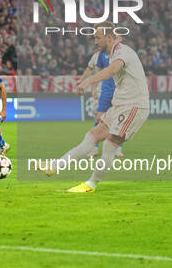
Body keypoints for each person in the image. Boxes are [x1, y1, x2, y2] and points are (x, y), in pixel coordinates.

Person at [46, 22, 150, 193]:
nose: (95, 41)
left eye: (97, 37)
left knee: (110, 144)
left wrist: (87, 81)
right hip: (119, 105)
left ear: (109, 37)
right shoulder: (111, 53)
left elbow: (111, 71)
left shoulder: (122, 52)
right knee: (91, 136)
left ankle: (91, 184)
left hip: (134, 106)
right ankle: (56, 165)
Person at [78, 50, 122, 158]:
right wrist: (93, 87)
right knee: (100, 119)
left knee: (119, 119)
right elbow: (96, 71)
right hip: (104, 90)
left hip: (119, 91)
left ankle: (117, 147)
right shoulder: (100, 55)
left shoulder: (122, 53)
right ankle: (94, 148)